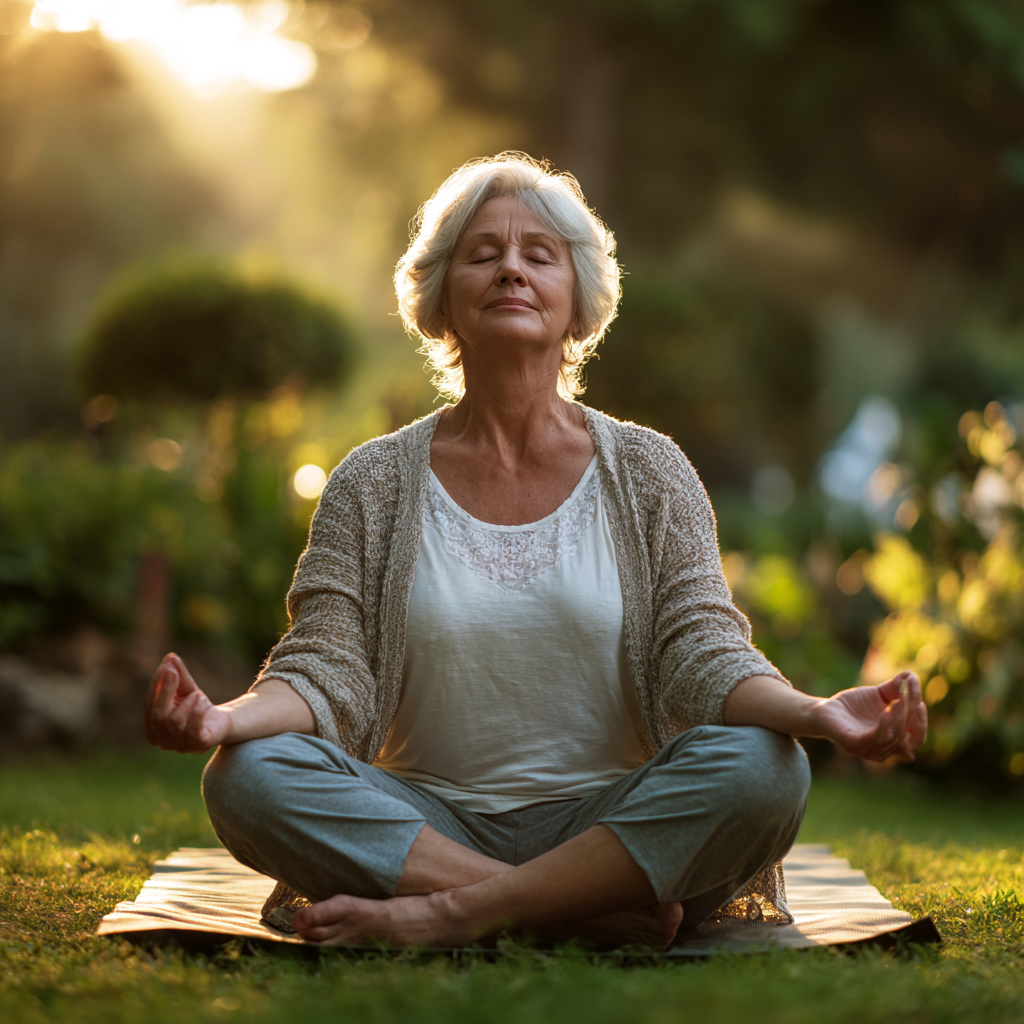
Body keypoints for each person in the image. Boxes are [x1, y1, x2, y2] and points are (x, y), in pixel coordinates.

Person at [143, 153, 927, 950]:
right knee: (248, 773)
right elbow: (326, 665)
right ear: (442, 297)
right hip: (424, 824)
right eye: (483, 254)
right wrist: (222, 720)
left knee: (767, 767)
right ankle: (584, 913)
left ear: (577, 301)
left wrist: (816, 712)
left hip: (616, 821)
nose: (511, 269)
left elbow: (703, 651)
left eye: (538, 255)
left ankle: (451, 913)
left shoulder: (652, 472)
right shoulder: (370, 482)